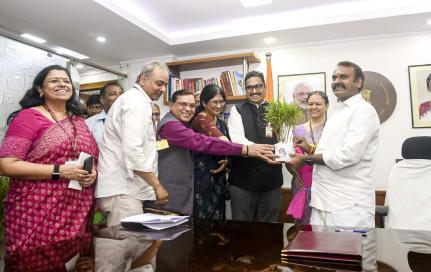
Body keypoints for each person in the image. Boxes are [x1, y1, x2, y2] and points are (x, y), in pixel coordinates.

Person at [0, 65, 98, 253]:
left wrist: (92, 173)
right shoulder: (28, 117)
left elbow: (92, 158)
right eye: (54, 81)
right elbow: (6, 165)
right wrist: (59, 171)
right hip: (34, 211)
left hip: (75, 210)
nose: (62, 84)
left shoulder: (78, 121)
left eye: (66, 81)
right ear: (40, 89)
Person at [289, 61, 380, 228]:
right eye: (334, 77)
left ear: (358, 82)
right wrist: (309, 149)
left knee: (347, 254)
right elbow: (331, 150)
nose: (336, 80)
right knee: (321, 253)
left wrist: (307, 158)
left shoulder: (363, 111)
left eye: (343, 76)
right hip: (321, 201)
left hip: (348, 206)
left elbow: (347, 155)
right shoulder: (338, 112)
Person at [157, 89, 276, 215]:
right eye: (183, 104)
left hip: (198, 184)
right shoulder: (171, 126)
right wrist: (246, 149)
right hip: (177, 190)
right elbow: (204, 142)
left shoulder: (186, 123)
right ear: (171, 105)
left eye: (192, 105)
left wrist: (227, 160)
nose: (188, 109)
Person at [95, 61, 169, 227]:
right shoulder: (135, 102)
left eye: (165, 84)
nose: (163, 89)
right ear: (142, 79)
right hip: (123, 191)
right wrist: (157, 186)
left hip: (128, 191)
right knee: (123, 248)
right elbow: (133, 151)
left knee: (133, 247)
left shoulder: (138, 101)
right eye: (159, 83)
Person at [228, 71, 284, 223]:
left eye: (258, 86)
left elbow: (284, 137)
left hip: (271, 180)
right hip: (242, 181)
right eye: (249, 87)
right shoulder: (236, 110)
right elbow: (237, 140)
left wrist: (282, 152)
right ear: (245, 90)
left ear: (264, 87)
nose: (254, 91)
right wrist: (265, 151)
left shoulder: (276, 109)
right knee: (241, 230)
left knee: (271, 230)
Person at [286, 91, 329, 225]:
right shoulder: (298, 129)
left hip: (325, 183)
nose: (313, 107)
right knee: (301, 226)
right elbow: (289, 157)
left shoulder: (332, 128)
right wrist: (296, 175)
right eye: (310, 104)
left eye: (318, 104)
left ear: (327, 106)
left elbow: (334, 156)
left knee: (323, 226)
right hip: (301, 183)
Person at [191, 84, 230, 219]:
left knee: (219, 219)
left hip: (219, 177)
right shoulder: (200, 120)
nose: (219, 105)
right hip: (202, 176)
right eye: (214, 102)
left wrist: (227, 161)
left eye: (221, 101)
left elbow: (228, 149)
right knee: (203, 218)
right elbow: (225, 142)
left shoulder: (220, 122)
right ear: (203, 102)